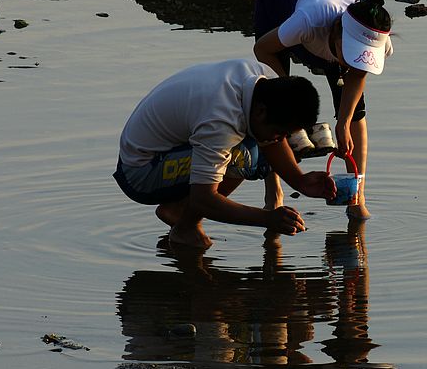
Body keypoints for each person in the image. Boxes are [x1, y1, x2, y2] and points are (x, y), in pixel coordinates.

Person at [113, 57, 336, 249]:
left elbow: (270, 141)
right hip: (142, 171)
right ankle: (184, 226)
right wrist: (268, 219)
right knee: (248, 157)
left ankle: (178, 211)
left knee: (257, 150)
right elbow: (204, 199)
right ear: (260, 112)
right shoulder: (220, 121)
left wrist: (299, 181)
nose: (279, 140)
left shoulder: (262, 77)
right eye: (279, 133)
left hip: (167, 150)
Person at [253, 0, 394, 220]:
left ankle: (357, 196)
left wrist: (344, 121)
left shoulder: (378, 39)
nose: (350, 63)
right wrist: (289, 94)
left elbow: (358, 73)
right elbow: (262, 49)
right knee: (275, 111)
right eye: (349, 54)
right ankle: (274, 195)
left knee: (356, 115)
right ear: (338, 34)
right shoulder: (309, 21)